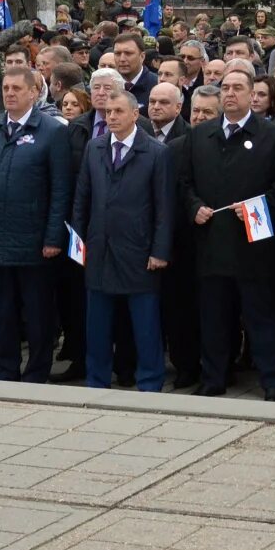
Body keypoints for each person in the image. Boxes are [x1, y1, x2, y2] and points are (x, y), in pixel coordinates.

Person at [180, 77, 275, 402]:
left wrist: (259, 208)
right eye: (225, 89)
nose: (230, 94)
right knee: (214, 317)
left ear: (252, 95)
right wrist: (194, 207)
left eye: (238, 89)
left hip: (253, 246)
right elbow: (184, 182)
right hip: (212, 242)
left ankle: (272, 381)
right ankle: (214, 377)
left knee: (261, 316)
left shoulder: (273, 136)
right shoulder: (200, 135)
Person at [0, 62, 74, 383]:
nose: (10, 94)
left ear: (34, 92)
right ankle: (7, 368)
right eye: (6, 89)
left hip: (35, 239)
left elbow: (60, 189)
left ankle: (37, 371)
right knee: (6, 310)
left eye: (17, 89)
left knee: (38, 312)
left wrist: (54, 236)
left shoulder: (53, 131)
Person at [71, 87, 174, 390]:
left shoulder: (156, 152)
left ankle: (150, 382)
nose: (111, 117)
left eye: (118, 111)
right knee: (98, 326)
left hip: (138, 250)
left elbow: (164, 207)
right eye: (107, 112)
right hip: (99, 249)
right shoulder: (95, 147)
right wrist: (78, 243)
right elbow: (82, 198)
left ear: (135, 114)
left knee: (144, 325)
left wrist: (159, 250)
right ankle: (97, 380)